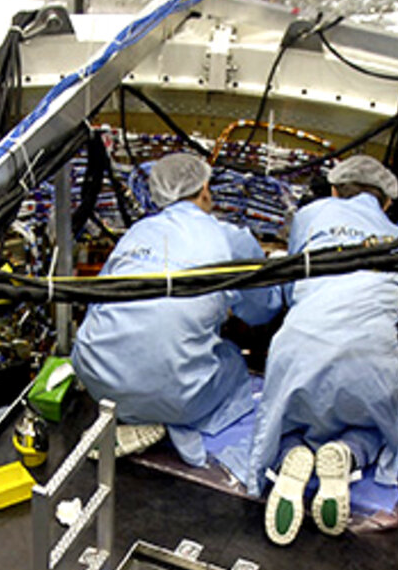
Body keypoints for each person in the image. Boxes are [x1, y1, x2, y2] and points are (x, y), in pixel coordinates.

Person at [247, 155, 398, 545]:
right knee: (373, 426)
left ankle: (290, 456)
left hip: (300, 347)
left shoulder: (311, 215)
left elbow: (290, 287)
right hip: (373, 360)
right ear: (387, 203)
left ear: (335, 190)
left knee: (284, 418)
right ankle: (347, 454)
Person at [72, 152, 282, 461]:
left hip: (97, 381)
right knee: (232, 359)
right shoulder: (230, 239)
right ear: (205, 189)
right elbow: (261, 311)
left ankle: (134, 418)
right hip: (179, 396)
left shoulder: (136, 233)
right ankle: (166, 423)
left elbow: (99, 302)